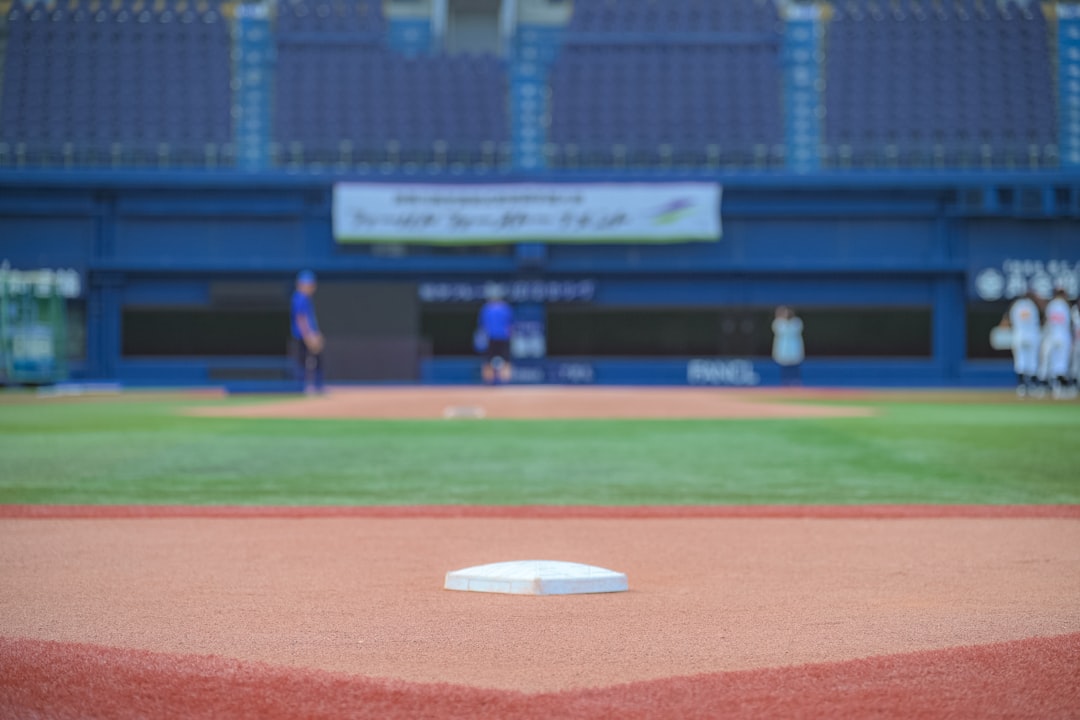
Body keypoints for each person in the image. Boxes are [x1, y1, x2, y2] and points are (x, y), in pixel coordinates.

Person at [291, 270, 324, 394]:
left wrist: (316, 333)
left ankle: (316, 386)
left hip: (308, 334)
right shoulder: (300, 298)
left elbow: (310, 319)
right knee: (304, 361)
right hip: (303, 336)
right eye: (308, 284)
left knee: (314, 360)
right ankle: (303, 387)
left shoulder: (305, 298)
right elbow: (301, 319)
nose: (311, 287)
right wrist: (309, 336)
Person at [1004, 291, 1041, 397]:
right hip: (1032, 336)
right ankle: (1032, 385)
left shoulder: (1015, 306)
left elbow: (1010, 321)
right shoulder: (1032, 305)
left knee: (1020, 361)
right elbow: (1037, 322)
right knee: (1032, 361)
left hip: (1019, 336)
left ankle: (1021, 386)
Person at [1038, 288, 1073, 399]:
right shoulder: (1065, 305)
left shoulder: (1051, 305)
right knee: (1061, 363)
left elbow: (1047, 321)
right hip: (1063, 336)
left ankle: (1049, 387)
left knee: (1050, 363)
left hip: (1052, 336)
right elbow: (1069, 323)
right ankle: (1060, 389)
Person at [477, 288, 513, 385]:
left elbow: (481, 325)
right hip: (504, 338)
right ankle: (506, 383)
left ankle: (488, 382)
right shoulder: (506, 307)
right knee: (506, 360)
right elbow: (511, 325)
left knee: (488, 361)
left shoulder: (486, 308)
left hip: (491, 338)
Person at [771, 306, 804, 386]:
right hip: (783, 347)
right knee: (784, 365)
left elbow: (793, 331)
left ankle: (796, 380)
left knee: (794, 365)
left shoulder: (796, 322)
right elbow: (781, 331)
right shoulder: (778, 322)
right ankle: (784, 381)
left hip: (794, 347)